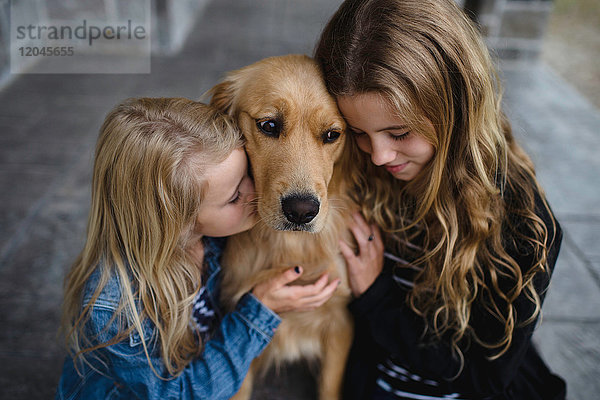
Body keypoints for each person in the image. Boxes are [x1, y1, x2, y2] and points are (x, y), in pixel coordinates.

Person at [315, 0, 566, 399]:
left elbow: (485, 376)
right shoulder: (360, 169)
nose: (378, 155)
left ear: (456, 108)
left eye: (399, 134)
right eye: (358, 131)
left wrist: (377, 296)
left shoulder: (525, 225)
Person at [55, 98, 340, 399]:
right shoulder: (116, 309)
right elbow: (179, 394)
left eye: (247, 174)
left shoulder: (213, 238)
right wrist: (258, 312)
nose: (256, 190)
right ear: (178, 222)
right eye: (233, 196)